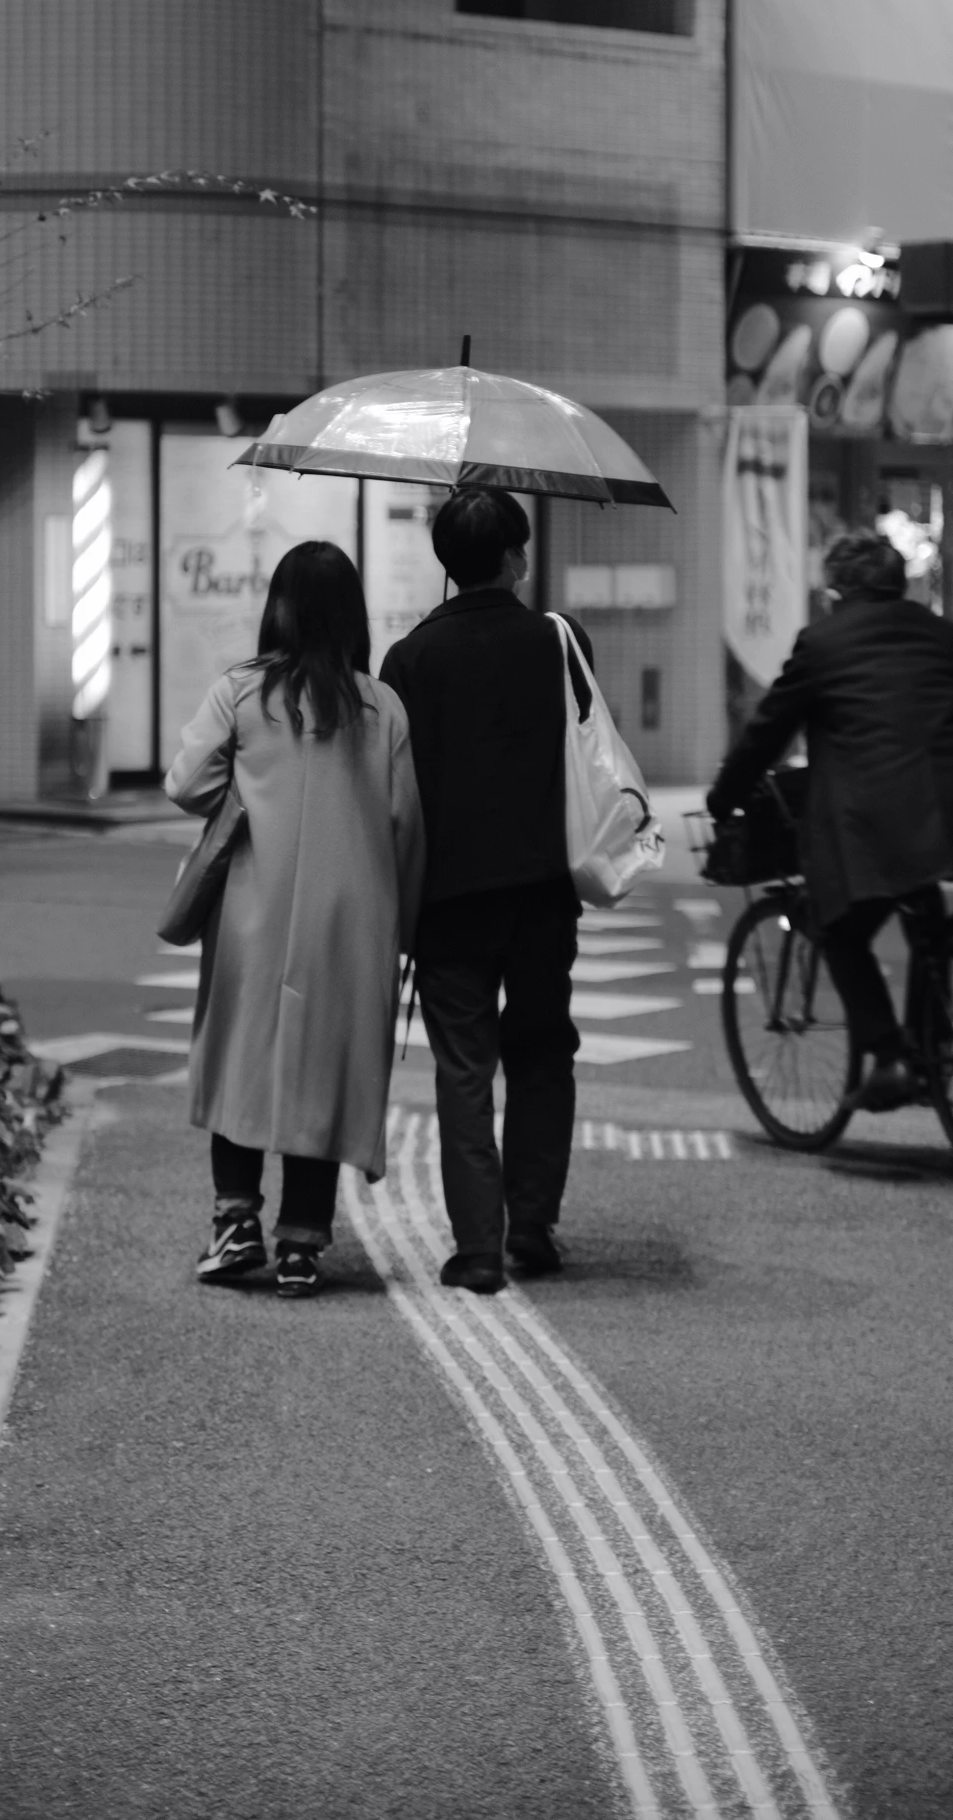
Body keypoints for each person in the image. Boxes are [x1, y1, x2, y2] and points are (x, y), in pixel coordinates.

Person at [706, 529, 953, 1110]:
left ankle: (893, 1058)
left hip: (875, 813)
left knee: (838, 929)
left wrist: (725, 799)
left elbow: (767, 734)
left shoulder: (822, 643)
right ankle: (935, 1039)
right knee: (927, 912)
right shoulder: (942, 635)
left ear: (839, 591)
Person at [165, 540, 425, 1298]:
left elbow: (187, 783)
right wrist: (405, 928)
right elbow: (406, 824)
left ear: (276, 607)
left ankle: (236, 1223)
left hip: (254, 909)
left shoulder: (243, 694)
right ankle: (303, 1244)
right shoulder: (380, 708)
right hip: (351, 925)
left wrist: (239, 786)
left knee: (242, 1059)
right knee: (323, 1070)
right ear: (352, 616)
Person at [379, 487, 593, 1296]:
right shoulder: (558, 640)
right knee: (541, 1051)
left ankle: (476, 1249)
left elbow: (396, 789)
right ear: (512, 557)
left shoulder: (407, 660)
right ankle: (532, 1225)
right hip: (541, 889)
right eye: (522, 546)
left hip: (449, 897)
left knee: (462, 1068)